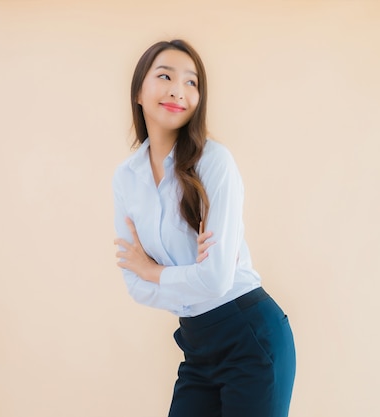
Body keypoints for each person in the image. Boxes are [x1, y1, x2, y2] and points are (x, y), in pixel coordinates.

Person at [113, 39, 296, 417]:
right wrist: (187, 278)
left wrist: (156, 271)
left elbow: (214, 281)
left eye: (192, 82)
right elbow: (135, 285)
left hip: (251, 337)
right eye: (165, 76)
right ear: (138, 91)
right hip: (197, 346)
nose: (178, 90)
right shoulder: (126, 178)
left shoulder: (214, 163)